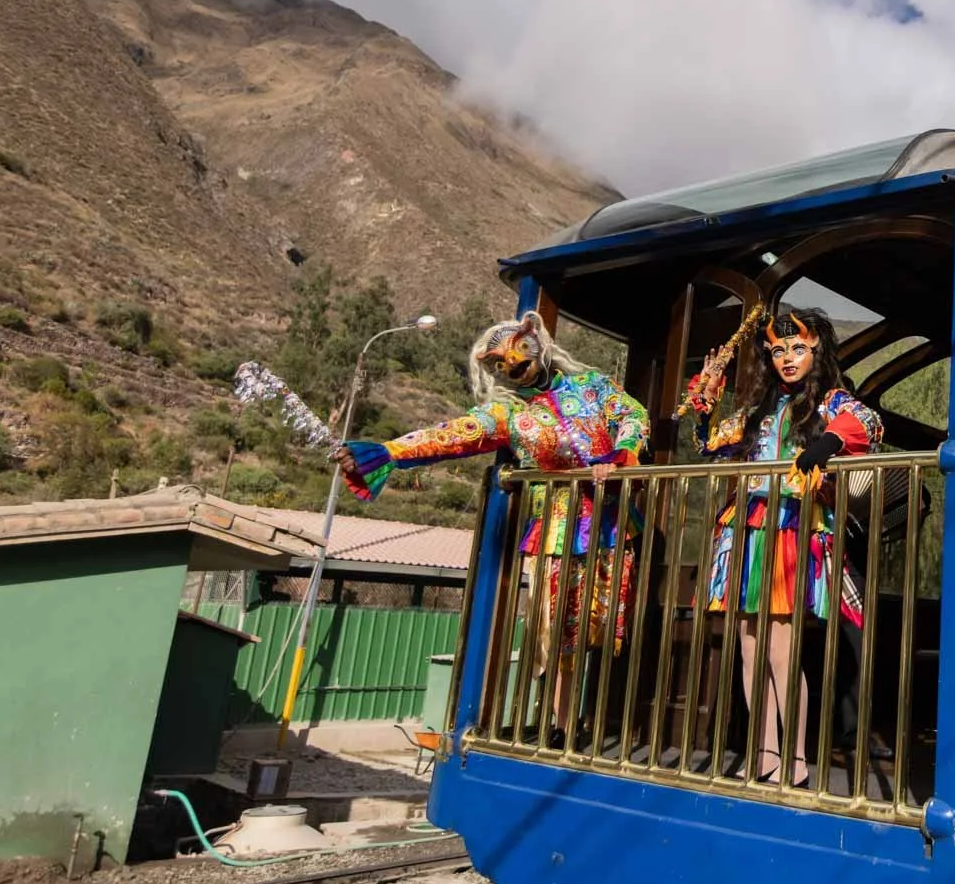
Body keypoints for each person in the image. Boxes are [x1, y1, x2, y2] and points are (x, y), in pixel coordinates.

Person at [334, 312, 648, 742]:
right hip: (555, 528)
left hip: (611, 525)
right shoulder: (507, 413)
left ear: (538, 344)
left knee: (601, 623)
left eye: (519, 356)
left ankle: (604, 720)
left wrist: (623, 454)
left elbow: (632, 414)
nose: (513, 368)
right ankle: (558, 722)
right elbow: (453, 434)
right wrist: (385, 452)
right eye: (500, 364)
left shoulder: (590, 385)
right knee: (552, 628)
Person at [684, 307, 882, 788]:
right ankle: (766, 752)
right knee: (750, 651)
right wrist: (706, 399)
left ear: (816, 350)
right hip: (747, 527)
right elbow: (710, 443)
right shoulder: (759, 409)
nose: (787, 358)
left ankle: (795, 758)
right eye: (777, 351)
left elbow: (869, 424)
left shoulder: (832, 401)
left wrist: (826, 444)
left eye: (797, 349)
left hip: (794, 526)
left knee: (781, 651)